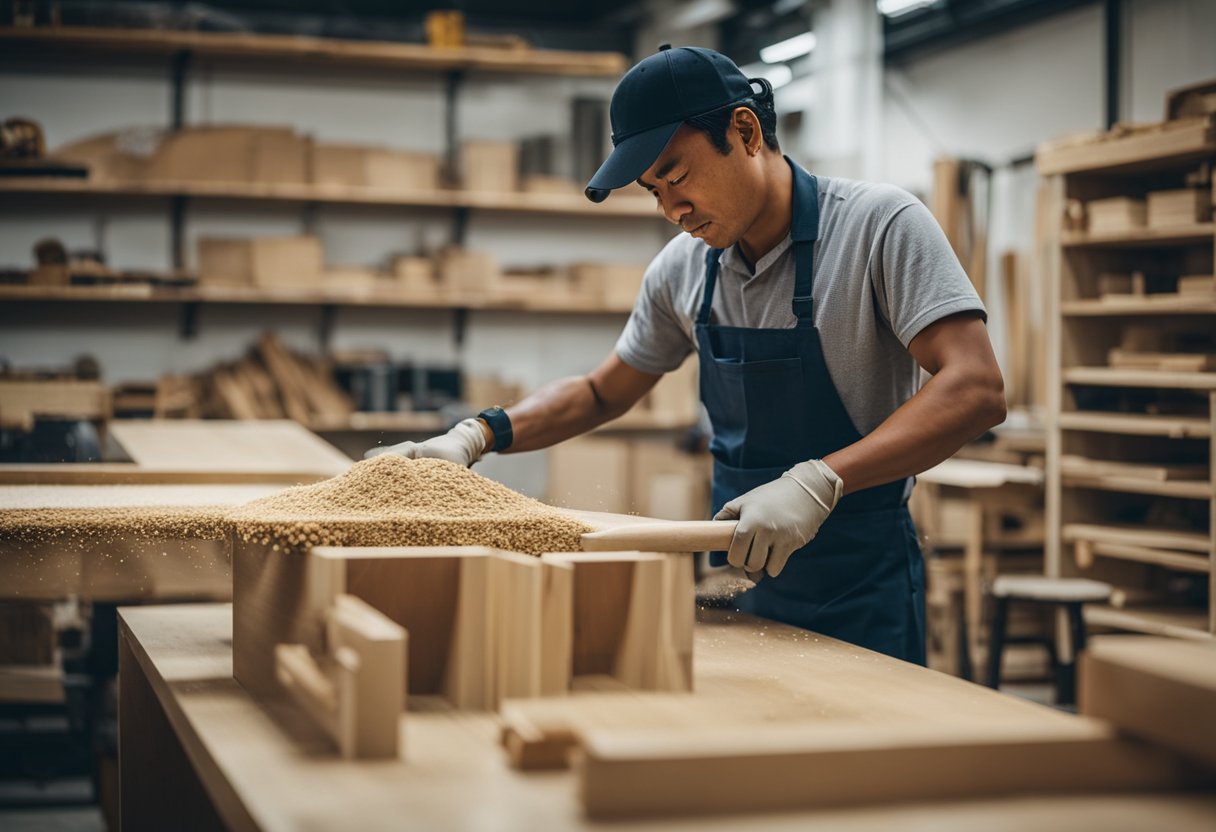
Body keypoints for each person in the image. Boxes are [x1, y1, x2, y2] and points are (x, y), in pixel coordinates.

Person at [368, 45, 1006, 665]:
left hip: (861, 588)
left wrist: (821, 480)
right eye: (653, 191)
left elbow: (975, 388)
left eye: (677, 175)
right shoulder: (682, 271)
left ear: (746, 132)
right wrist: (476, 435)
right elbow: (601, 392)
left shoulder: (878, 227)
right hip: (739, 583)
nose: (672, 209)